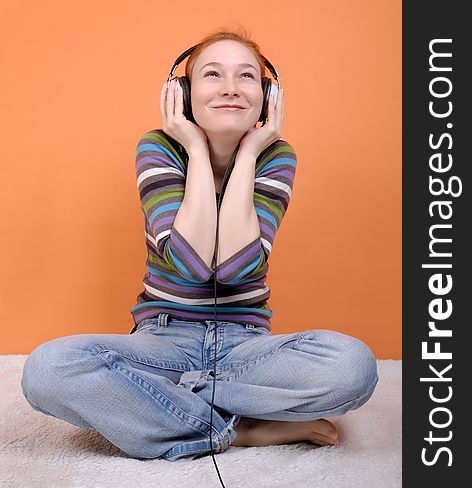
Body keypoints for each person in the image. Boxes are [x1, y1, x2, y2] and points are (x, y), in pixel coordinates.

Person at [20, 28, 379, 461]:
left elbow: (231, 270)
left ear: (267, 96)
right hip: (162, 340)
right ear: (184, 94)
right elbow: (191, 266)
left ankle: (169, 402)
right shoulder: (159, 147)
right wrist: (193, 146)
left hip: (245, 347)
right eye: (213, 75)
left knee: (352, 366)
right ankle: (236, 428)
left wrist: (248, 155)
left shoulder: (276, 155)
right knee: (48, 369)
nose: (230, 88)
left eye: (246, 76)